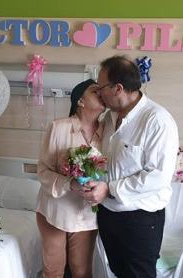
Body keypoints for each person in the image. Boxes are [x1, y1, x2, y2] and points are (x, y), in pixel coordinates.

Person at [80, 56, 179, 277]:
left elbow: (158, 176)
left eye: (101, 86)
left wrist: (109, 189)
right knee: (117, 271)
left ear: (118, 88)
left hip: (139, 219)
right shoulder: (108, 117)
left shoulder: (157, 121)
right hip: (108, 214)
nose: (97, 91)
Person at [36, 79, 106, 278]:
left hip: (85, 215)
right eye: (95, 91)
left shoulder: (108, 132)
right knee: (53, 271)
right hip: (54, 213)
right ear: (80, 102)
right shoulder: (58, 128)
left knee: (82, 272)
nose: (101, 93)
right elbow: (43, 170)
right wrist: (70, 183)